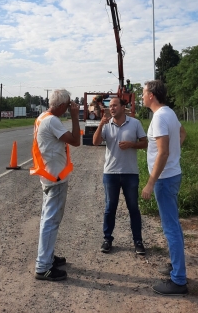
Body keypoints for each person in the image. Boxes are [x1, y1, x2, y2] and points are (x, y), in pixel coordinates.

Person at [141, 80, 188, 296]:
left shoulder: (159, 117)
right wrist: (174, 152)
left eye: (143, 93)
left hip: (164, 179)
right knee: (174, 225)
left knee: (170, 227)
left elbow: (163, 152)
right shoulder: (170, 113)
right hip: (172, 175)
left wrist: (151, 182)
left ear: (152, 95)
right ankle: (175, 266)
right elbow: (182, 134)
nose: (142, 96)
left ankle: (178, 280)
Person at [31, 89, 81, 282]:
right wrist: (76, 117)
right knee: (51, 222)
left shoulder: (42, 117)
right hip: (56, 178)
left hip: (49, 175)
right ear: (61, 105)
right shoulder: (52, 120)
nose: (69, 108)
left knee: (47, 218)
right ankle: (43, 267)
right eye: (68, 105)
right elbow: (76, 141)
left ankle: (47, 257)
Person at [93, 97, 148, 254]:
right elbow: (96, 142)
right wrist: (101, 124)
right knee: (110, 208)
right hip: (110, 173)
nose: (112, 108)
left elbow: (144, 143)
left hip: (130, 173)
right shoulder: (106, 124)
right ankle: (107, 239)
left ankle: (138, 241)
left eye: (115, 105)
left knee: (133, 208)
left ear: (124, 107)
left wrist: (132, 144)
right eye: (110, 106)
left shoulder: (134, 123)